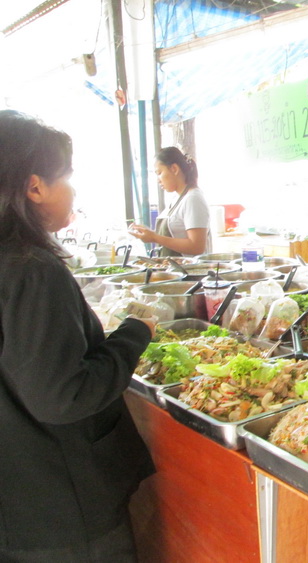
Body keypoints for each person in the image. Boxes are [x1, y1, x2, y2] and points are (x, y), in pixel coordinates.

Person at [0, 110, 156, 561]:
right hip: (61, 508)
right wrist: (133, 333)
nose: (73, 189)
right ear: (34, 187)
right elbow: (61, 396)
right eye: (66, 176)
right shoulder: (31, 270)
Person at [129, 146, 211, 256]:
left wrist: (155, 238)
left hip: (190, 271)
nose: (158, 180)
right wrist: (148, 234)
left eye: (159, 173)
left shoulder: (193, 199)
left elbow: (196, 246)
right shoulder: (178, 198)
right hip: (174, 269)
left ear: (174, 169)